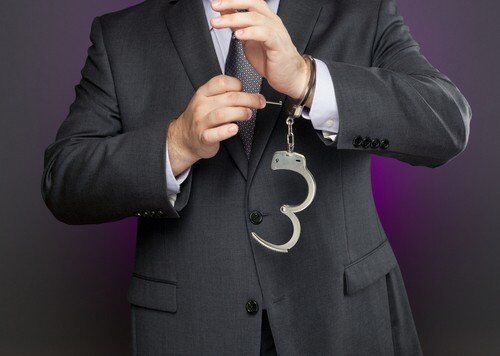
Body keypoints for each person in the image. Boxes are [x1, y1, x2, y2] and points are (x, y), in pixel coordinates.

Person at [42, 0, 471, 354]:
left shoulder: (362, 12)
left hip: (344, 324)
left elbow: (447, 125)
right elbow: (64, 182)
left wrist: (308, 79)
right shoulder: (121, 36)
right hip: (194, 331)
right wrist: (176, 145)